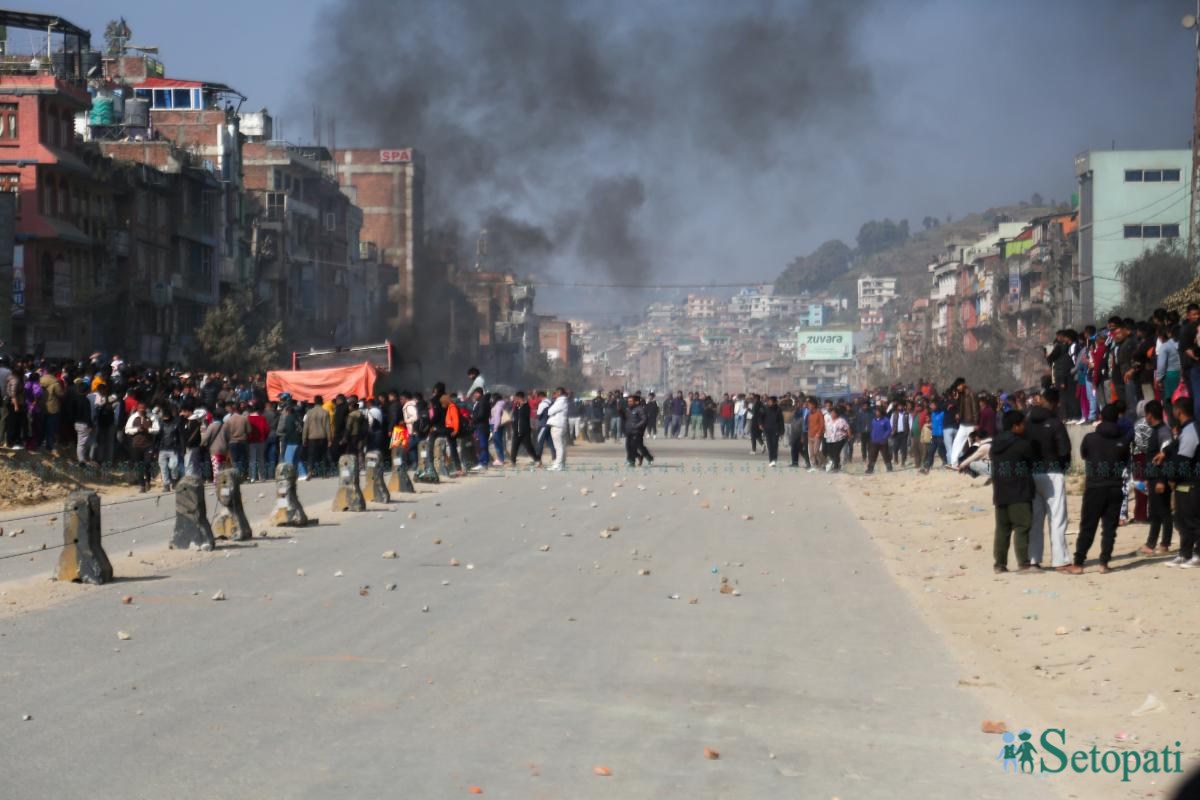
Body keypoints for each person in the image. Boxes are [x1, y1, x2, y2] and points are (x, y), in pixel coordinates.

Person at [1066, 404, 1130, 574]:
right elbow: (1124, 461)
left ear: (1101, 417)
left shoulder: (1090, 438)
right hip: (1115, 487)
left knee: (1088, 526)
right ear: (1117, 418)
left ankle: (1078, 563)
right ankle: (1104, 563)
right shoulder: (1123, 441)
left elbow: (1084, 455)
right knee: (1109, 529)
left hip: (1094, 487)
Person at [1026, 388, 1072, 570]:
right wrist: (1062, 466)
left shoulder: (1027, 422)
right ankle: (1060, 561)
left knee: (1035, 520)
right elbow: (1064, 450)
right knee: (1057, 518)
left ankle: (1033, 560)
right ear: (1056, 403)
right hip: (1053, 473)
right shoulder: (1055, 423)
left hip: (1032, 473)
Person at [990, 410, 1035, 573]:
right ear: (1015, 426)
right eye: (1022, 424)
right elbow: (1031, 463)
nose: (1024, 427)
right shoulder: (1022, 445)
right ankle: (1023, 563)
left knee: (1002, 529)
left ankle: (999, 564)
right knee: (1022, 526)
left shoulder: (995, 445)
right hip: (1019, 491)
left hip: (1000, 491)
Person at [1141, 400, 1175, 556]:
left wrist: (1161, 480)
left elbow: (1166, 457)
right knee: (1157, 511)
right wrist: (1148, 477)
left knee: (1162, 511)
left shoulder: (1163, 431)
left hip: (1160, 478)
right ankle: (1155, 543)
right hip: (1153, 477)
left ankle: (1160, 544)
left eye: (1145, 414)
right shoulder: (1156, 430)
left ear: (1149, 415)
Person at [124, 402, 160, 493]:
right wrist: (137, 430)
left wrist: (148, 430)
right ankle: (142, 485)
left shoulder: (152, 417)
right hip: (136, 445)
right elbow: (127, 430)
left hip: (148, 445)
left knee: (147, 464)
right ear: (137, 409)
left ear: (146, 409)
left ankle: (148, 480)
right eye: (140, 408)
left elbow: (157, 429)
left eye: (143, 408)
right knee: (139, 466)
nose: (141, 410)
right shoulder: (133, 417)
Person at [301, 395, 332, 480]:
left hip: (312, 437)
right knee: (324, 455)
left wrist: (304, 439)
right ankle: (325, 473)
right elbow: (327, 427)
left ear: (314, 402)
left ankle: (310, 471)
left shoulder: (309, 412)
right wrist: (329, 439)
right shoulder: (325, 412)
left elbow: (306, 427)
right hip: (323, 436)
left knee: (311, 456)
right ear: (322, 402)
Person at [156, 404, 183, 491]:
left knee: (173, 466)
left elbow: (180, 436)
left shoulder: (176, 423)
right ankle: (166, 484)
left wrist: (182, 447)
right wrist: (155, 449)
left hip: (173, 448)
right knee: (163, 468)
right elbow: (157, 437)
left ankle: (175, 479)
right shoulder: (160, 424)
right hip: (162, 448)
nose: (165, 419)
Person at [509, 391, 538, 466]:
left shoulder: (526, 406)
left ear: (520, 398)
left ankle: (537, 460)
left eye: (516, 398)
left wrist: (521, 406)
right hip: (516, 430)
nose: (515, 400)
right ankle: (512, 461)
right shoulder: (517, 406)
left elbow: (525, 417)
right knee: (514, 446)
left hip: (525, 430)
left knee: (528, 447)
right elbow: (515, 417)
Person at [757, 395, 784, 467]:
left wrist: (782, 431)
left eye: (770, 401)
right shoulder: (764, 408)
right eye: (768, 401)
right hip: (767, 429)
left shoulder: (778, 409)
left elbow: (781, 421)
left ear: (774, 402)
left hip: (776, 430)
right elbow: (760, 417)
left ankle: (774, 459)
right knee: (769, 445)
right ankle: (771, 460)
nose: (769, 402)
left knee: (775, 445)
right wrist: (760, 424)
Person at [546, 387, 568, 471]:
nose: (554, 394)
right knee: (562, 445)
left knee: (558, 446)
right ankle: (561, 463)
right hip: (561, 424)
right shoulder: (563, 401)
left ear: (559, 393)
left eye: (555, 393)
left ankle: (558, 464)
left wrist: (551, 408)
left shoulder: (560, 401)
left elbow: (550, 411)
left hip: (557, 425)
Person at [866, 404, 893, 474]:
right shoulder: (873, 420)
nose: (877, 413)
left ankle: (889, 468)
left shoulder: (885, 420)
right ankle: (870, 469)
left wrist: (884, 436)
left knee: (886, 455)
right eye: (876, 411)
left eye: (878, 411)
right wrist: (872, 436)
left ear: (881, 412)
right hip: (874, 441)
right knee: (872, 456)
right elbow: (872, 429)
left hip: (883, 442)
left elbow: (889, 429)